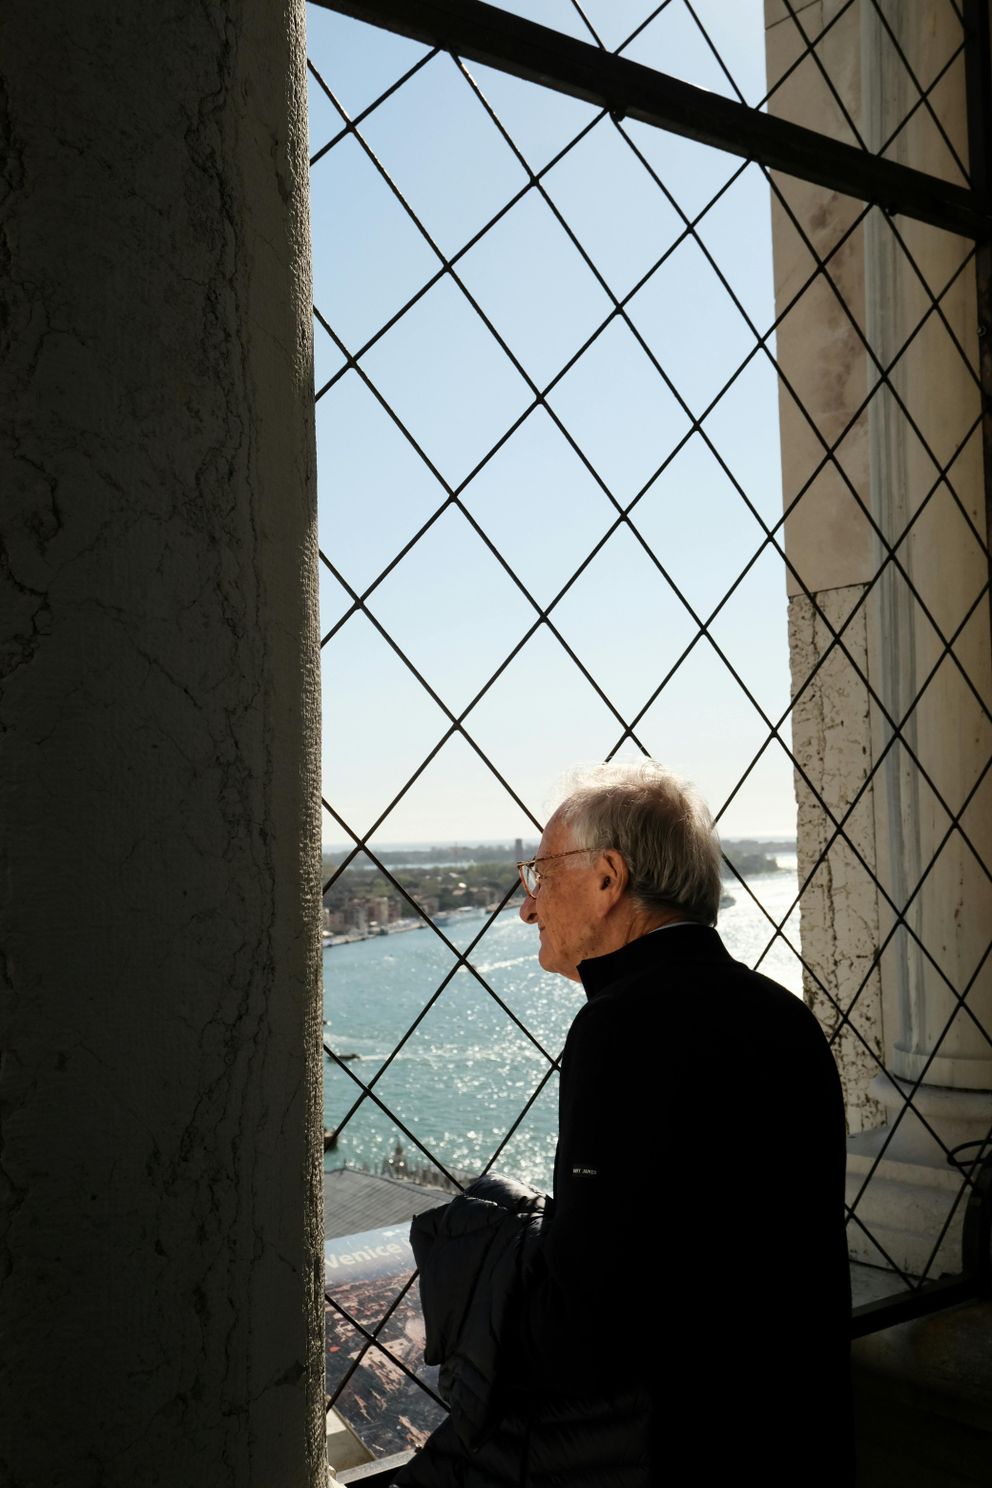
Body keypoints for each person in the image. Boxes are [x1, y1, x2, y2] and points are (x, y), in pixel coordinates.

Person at [395, 760, 854, 1487]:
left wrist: (481, 1279)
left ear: (609, 879)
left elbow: (582, 1324)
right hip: (795, 1435)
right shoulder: (781, 1014)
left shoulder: (622, 1028)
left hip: (683, 1452)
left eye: (541, 874)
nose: (528, 906)